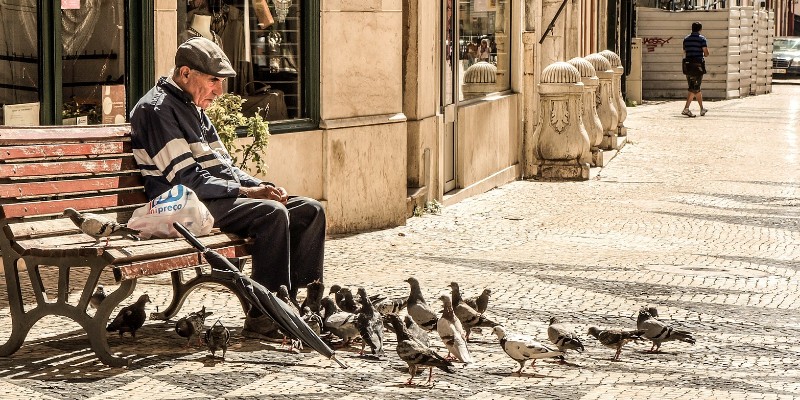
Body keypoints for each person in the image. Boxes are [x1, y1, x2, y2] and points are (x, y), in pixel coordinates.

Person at [129, 37, 326, 340]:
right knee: (270, 214)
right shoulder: (157, 110)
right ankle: (264, 316)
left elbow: (224, 167)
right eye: (213, 81)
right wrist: (249, 194)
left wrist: (258, 185)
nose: (219, 91)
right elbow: (185, 180)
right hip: (180, 206)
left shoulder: (192, 105)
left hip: (207, 198)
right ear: (185, 74)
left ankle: (298, 307)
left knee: (310, 210)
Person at [682, 21, 709, 117]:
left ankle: (702, 109)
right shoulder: (702, 39)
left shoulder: (686, 39)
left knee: (695, 87)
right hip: (697, 66)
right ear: (700, 29)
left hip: (688, 65)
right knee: (694, 88)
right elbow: (706, 53)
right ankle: (686, 109)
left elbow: (684, 51)